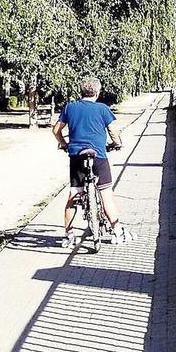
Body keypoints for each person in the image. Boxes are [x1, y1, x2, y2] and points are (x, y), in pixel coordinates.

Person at [52, 77, 134, 247]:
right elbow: (113, 130)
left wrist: (64, 145)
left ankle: (68, 235)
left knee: (74, 194)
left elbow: (56, 130)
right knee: (106, 194)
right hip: (98, 156)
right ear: (97, 92)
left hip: (76, 156)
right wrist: (116, 144)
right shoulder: (103, 109)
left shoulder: (70, 107)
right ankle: (117, 232)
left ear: (81, 91)